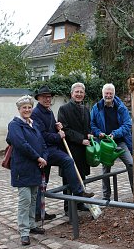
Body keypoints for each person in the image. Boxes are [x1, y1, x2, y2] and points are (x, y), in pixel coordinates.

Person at [31, 85, 94, 216]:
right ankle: (40, 212)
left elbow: (53, 128)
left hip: (51, 149)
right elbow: (41, 135)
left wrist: (56, 126)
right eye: (44, 97)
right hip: (44, 151)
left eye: (49, 97)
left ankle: (40, 212)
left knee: (45, 180)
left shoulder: (48, 111)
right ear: (39, 98)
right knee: (43, 181)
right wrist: (58, 135)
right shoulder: (37, 113)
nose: (47, 99)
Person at [6, 95, 48, 246]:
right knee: (25, 201)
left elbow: (43, 143)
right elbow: (22, 145)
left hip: (36, 169)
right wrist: (38, 158)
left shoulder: (34, 124)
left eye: (29, 107)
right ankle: (24, 232)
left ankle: (32, 225)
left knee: (33, 200)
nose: (27, 110)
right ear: (19, 109)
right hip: (22, 169)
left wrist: (45, 157)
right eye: (24, 107)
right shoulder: (14, 125)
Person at [90, 83, 133, 200]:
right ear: (102, 94)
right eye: (106, 93)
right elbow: (92, 124)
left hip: (119, 142)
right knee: (105, 169)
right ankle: (106, 196)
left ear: (114, 94)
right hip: (105, 143)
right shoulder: (96, 107)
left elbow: (127, 124)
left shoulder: (121, 107)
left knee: (131, 164)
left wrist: (115, 134)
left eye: (110, 93)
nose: (108, 95)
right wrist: (98, 132)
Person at [58, 83, 92, 183]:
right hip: (70, 151)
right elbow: (65, 129)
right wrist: (81, 139)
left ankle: (81, 198)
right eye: (77, 92)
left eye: (81, 92)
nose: (79, 94)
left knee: (82, 180)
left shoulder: (86, 109)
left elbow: (87, 127)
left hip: (83, 152)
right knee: (68, 181)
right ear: (71, 94)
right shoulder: (63, 109)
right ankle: (68, 199)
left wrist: (89, 134)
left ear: (84, 94)